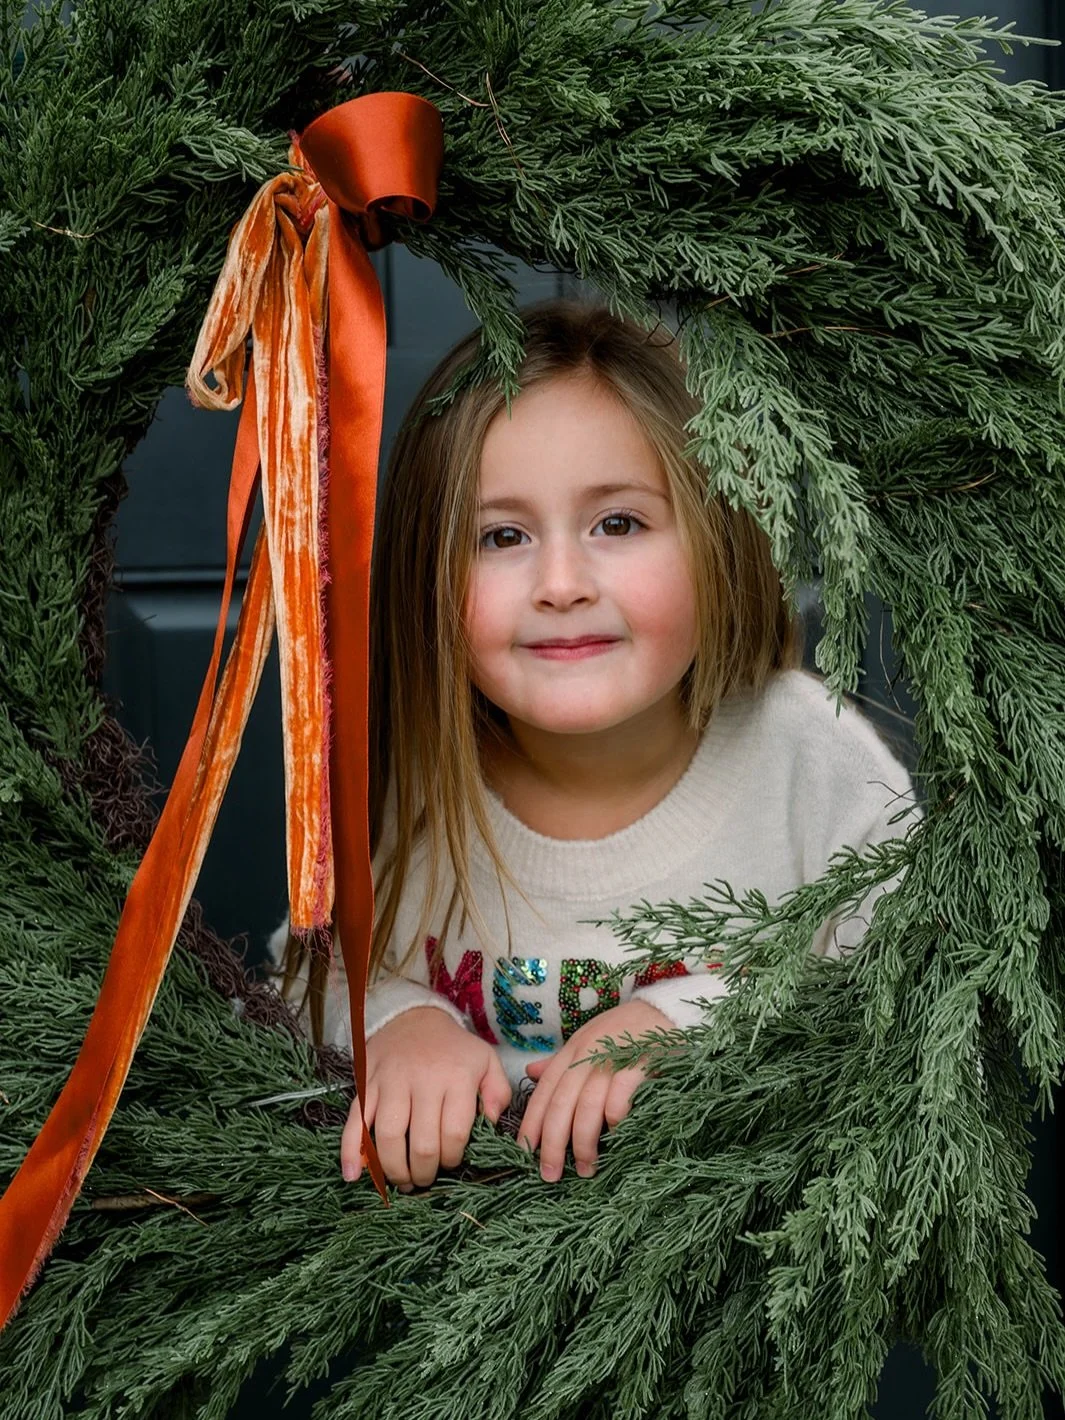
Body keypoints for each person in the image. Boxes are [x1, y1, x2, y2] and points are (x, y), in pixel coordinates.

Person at [265, 297, 916, 1195]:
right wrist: (399, 1025)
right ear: (428, 577)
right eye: (501, 536)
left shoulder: (810, 762)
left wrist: (683, 1019)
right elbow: (305, 977)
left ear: (718, 538)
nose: (561, 584)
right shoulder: (417, 776)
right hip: (467, 1264)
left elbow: (910, 1006)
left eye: (618, 523)